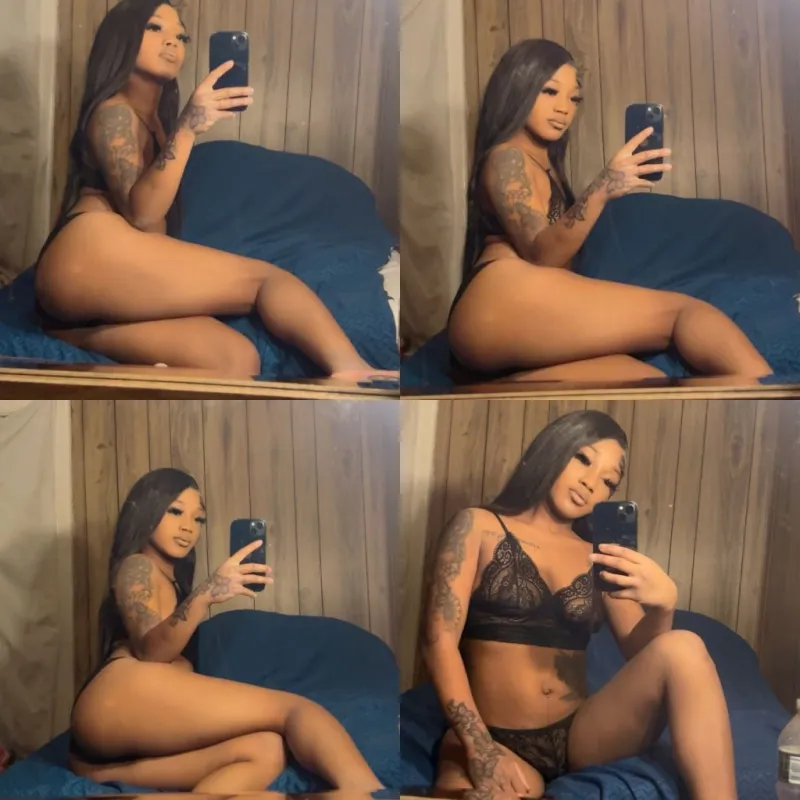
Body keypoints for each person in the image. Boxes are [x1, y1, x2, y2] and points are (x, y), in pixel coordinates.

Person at [34, 0, 396, 382]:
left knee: (234, 360)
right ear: (121, 38)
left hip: (103, 274)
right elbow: (142, 214)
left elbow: (153, 229)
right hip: (86, 252)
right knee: (268, 280)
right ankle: (353, 368)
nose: (172, 42)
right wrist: (188, 129)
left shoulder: (156, 120)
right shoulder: (114, 111)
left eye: (181, 36)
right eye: (155, 28)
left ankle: (77, 335)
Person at [422, 410, 736, 800]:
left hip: (580, 735)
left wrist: (662, 607)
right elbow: (438, 643)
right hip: (492, 733)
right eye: (583, 459)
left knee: (684, 646)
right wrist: (481, 748)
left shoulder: (599, 554)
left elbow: (645, 655)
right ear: (552, 450)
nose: (590, 483)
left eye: (608, 481)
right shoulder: (478, 526)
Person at [447, 38, 771, 383]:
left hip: (504, 316)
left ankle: (495, 387)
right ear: (518, 88)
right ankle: (769, 386)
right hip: (499, 300)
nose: (564, 109)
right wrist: (604, 186)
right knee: (684, 313)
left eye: (574, 98)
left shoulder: (541, 159)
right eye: (550, 92)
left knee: (645, 379)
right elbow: (543, 255)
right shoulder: (507, 157)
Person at [69, 467, 382, 793]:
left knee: (265, 749)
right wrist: (207, 592)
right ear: (146, 511)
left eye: (198, 518)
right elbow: (152, 652)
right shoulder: (138, 565)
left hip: (122, 711)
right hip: (117, 695)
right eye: (175, 512)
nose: (188, 527)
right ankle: (373, 794)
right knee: (297, 710)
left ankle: (107, 774)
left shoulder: (166, 576)